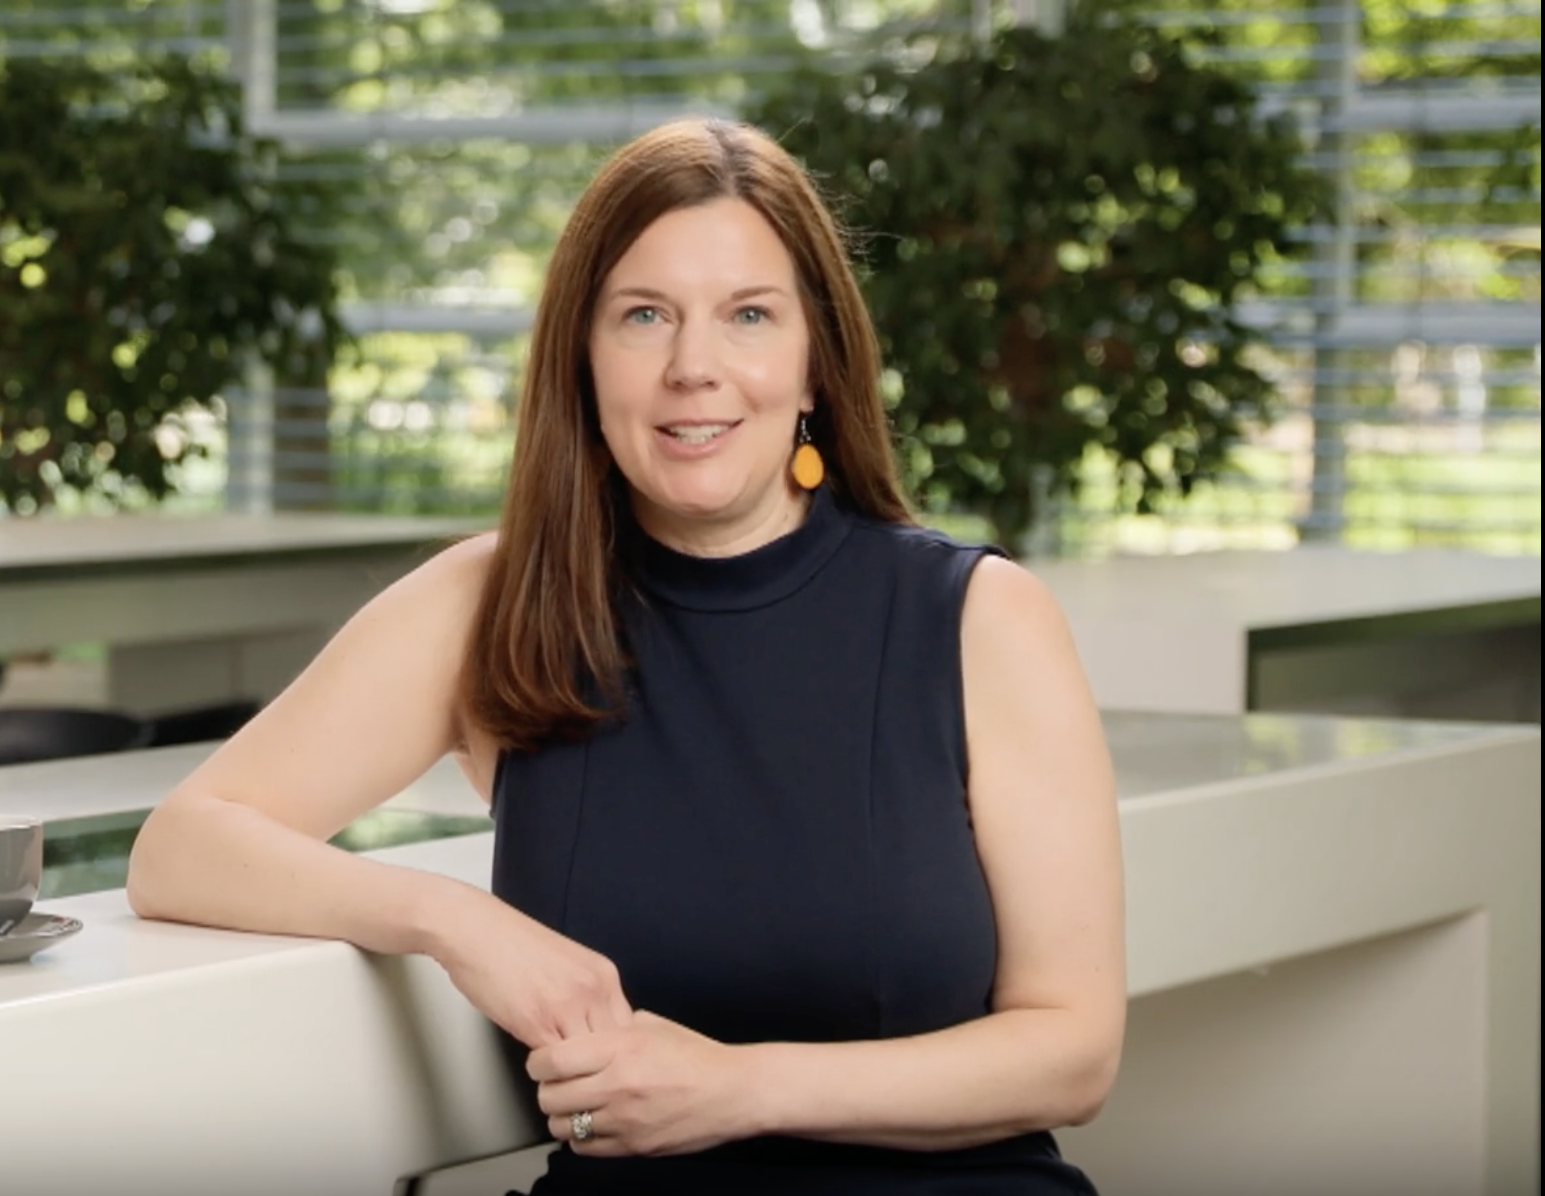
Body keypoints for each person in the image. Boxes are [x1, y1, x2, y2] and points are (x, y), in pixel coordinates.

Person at [125, 117, 1125, 1195]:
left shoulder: (974, 616)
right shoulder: (494, 601)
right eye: (643, 316)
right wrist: (456, 919)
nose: (693, 368)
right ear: (584, 358)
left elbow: (1069, 1049)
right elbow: (183, 844)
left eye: (747, 315)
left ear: (813, 365)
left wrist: (738, 1087)